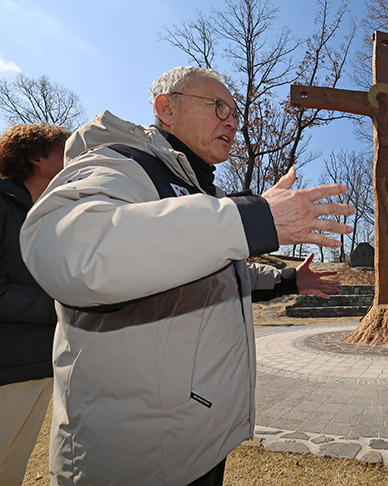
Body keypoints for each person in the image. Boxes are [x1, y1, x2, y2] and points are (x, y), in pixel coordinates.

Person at [19, 66, 354, 486]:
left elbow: (221, 276)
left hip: (196, 443)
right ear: (167, 108)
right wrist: (250, 220)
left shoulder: (203, 197)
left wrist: (288, 281)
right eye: (218, 107)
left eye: (235, 113)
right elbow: (77, 254)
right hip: (133, 457)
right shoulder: (121, 164)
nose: (232, 121)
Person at [0, 123, 69, 486]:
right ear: (34, 157)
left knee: (11, 471)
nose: (74, 158)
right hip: (6, 370)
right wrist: (60, 306)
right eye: (64, 150)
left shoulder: (43, 216)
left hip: (38, 367)